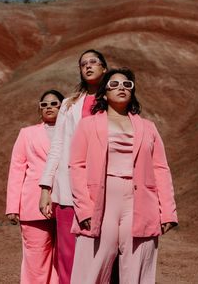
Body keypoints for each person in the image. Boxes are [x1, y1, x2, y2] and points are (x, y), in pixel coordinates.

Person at [69, 68, 178, 284]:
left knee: (137, 266)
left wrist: (167, 212)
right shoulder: (88, 125)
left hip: (140, 202)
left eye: (127, 85)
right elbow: (76, 166)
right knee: (93, 265)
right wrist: (84, 207)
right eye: (114, 84)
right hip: (101, 200)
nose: (121, 88)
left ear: (133, 92)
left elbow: (161, 170)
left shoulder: (148, 127)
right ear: (104, 92)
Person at [39, 49, 108, 284]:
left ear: (104, 68)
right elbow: (57, 146)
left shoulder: (115, 103)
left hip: (105, 187)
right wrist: (46, 188)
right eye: (83, 64)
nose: (88, 66)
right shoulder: (69, 105)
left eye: (93, 62)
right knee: (68, 254)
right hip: (68, 189)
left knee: (103, 253)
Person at [6, 89, 64, 284]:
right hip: (32, 204)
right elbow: (16, 169)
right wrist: (13, 206)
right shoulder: (27, 133)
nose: (49, 107)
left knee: (63, 257)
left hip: (66, 200)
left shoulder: (74, 132)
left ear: (63, 107)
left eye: (54, 103)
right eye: (44, 104)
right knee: (36, 256)